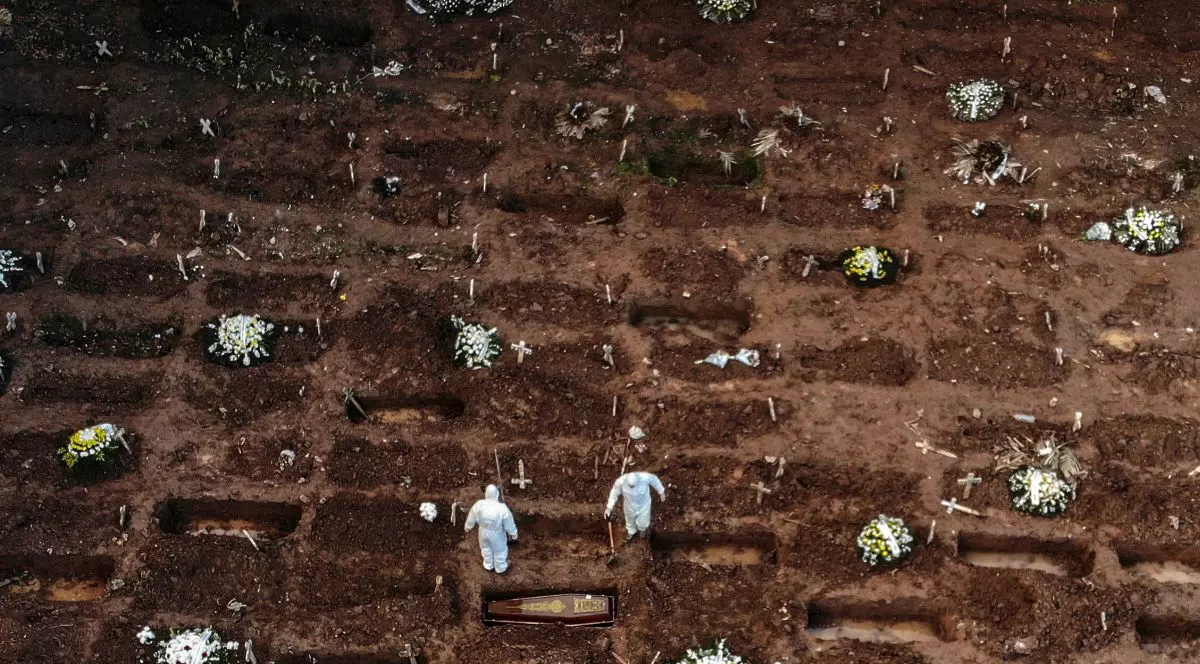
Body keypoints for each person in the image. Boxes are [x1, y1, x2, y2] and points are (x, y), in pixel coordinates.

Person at [465, 484, 518, 573]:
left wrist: (468, 527)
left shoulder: (479, 504)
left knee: (485, 548)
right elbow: (509, 522)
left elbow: (471, 517)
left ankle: (488, 565)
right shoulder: (502, 508)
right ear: (497, 494)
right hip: (496, 533)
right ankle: (500, 568)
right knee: (500, 550)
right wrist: (514, 534)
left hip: (482, 531)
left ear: (486, 494)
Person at [605, 471, 666, 541]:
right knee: (629, 520)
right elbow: (614, 493)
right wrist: (609, 508)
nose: (632, 487)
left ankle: (642, 531)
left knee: (643, 521)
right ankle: (631, 532)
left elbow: (655, 480)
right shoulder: (620, 481)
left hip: (644, 505)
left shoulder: (645, 477)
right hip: (629, 506)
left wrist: (661, 491)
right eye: (630, 486)